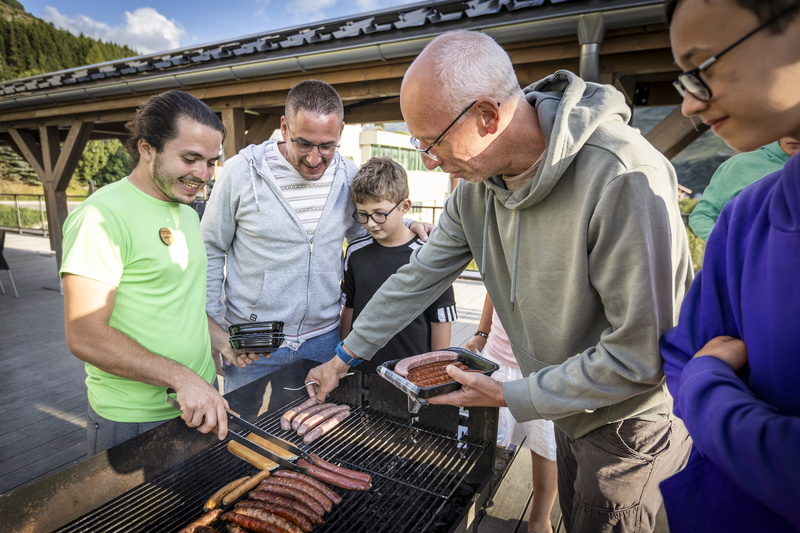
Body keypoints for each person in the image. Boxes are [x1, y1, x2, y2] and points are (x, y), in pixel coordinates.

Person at [307, 30, 694, 532]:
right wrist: (343, 358)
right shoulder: (475, 191)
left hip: (625, 421)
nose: (426, 159)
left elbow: (641, 355)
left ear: (487, 116)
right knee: (575, 517)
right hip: (567, 405)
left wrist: (510, 396)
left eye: (432, 141)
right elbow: (416, 279)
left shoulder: (620, 176)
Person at [660, 1, 800, 532]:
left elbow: (692, 367)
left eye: (704, 68)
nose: (691, 106)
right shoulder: (750, 210)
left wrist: (709, 386)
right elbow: (678, 351)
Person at [201, 80, 431, 392]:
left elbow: (367, 230)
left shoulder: (348, 176)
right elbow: (211, 249)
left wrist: (408, 224)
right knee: (246, 433)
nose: (314, 159)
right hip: (252, 342)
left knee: (313, 432)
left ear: (341, 132)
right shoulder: (240, 173)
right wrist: (213, 328)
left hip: (323, 341)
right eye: (304, 144)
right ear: (284, 127)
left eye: (326, 146)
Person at [60, 90, 230, 456]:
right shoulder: (100, 217)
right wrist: (181, 377)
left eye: (212, 162)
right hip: (133, 421)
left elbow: (175, 303)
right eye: (190, 158)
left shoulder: (185, 211)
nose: (203, 174)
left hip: (197, 405)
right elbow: (85, 335)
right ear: (147, 148)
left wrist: (221, 340)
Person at [341, 156, 457, 374]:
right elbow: (349, 308)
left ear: (404, 206)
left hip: (412, 371)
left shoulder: (427, 256)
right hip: (361, 369)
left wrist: (436, 371)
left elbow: (440, 320)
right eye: (363, 215)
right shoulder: (355, 252)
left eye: (379, 214)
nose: (371, 223)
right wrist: (342, 358)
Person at [466, 294, 557, 533]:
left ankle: (540, 519)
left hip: (549, 367)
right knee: (487, 441)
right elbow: (493, 287)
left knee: (547, 447)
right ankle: (479, 501)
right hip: (496, 359)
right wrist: (482, 333)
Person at [689, 136, 800, 240]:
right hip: (750, 259)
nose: (794, 135)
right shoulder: (741, 164)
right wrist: (728, 247)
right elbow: (703, 215)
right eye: (791, 126)